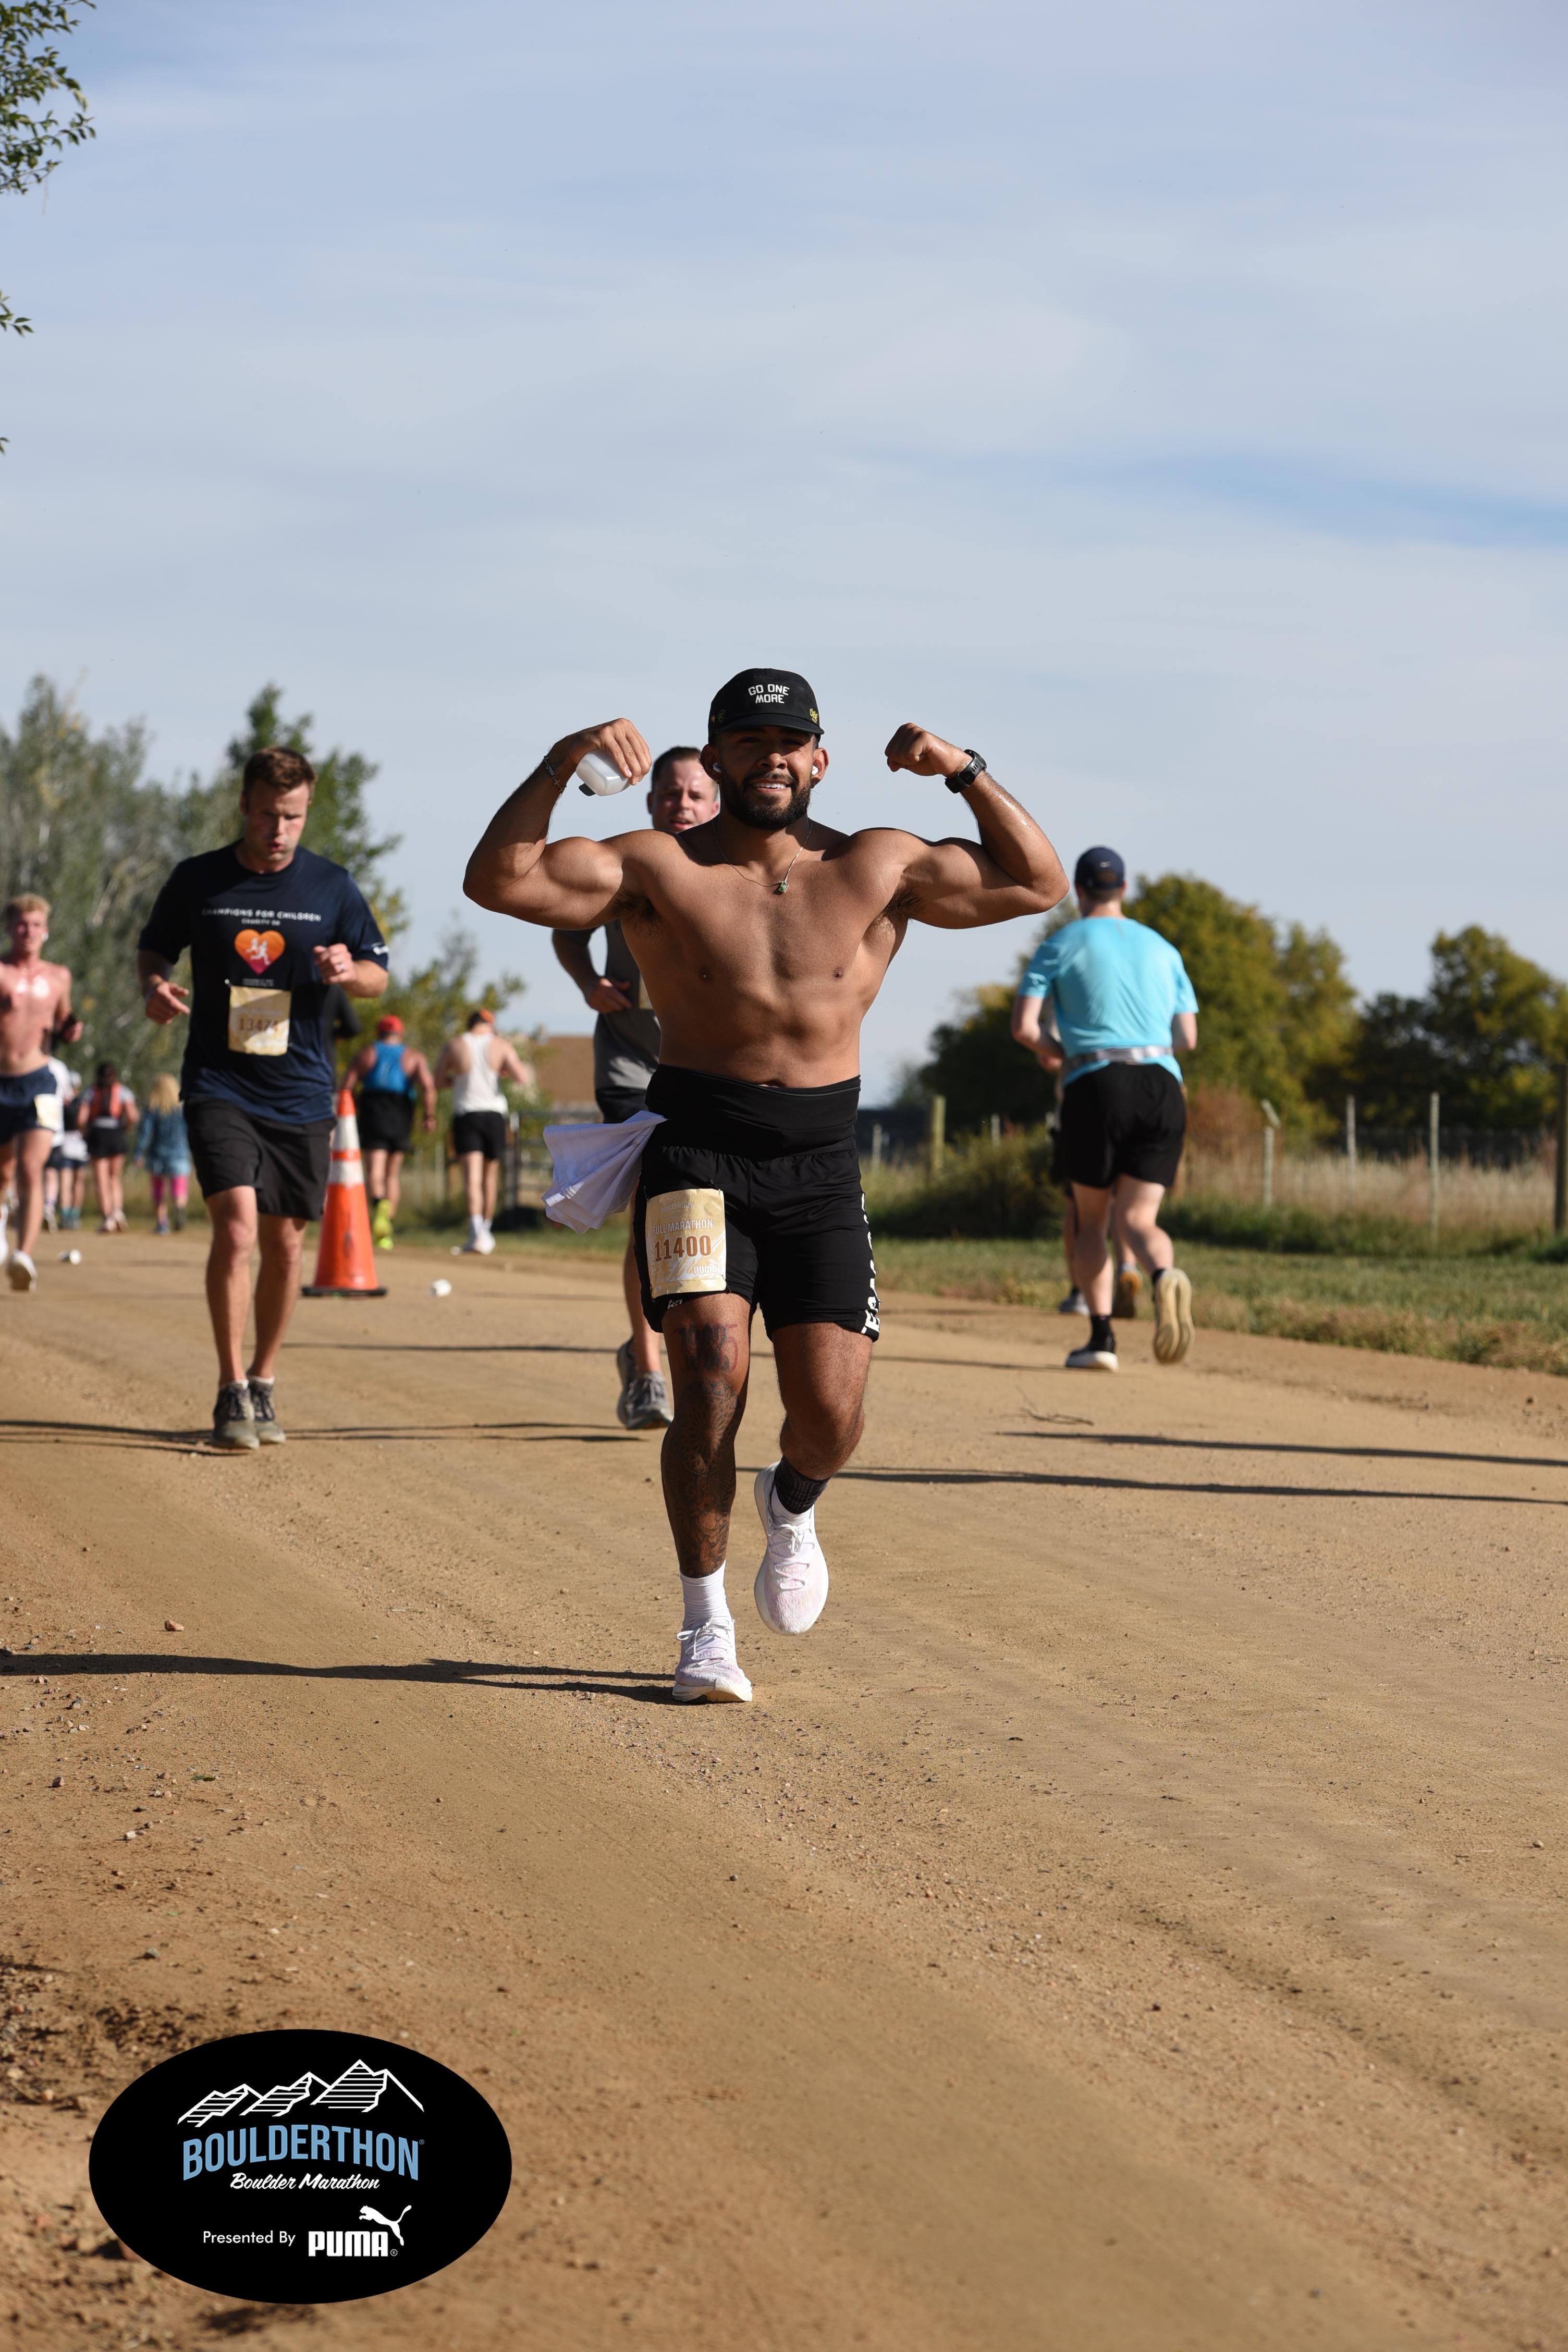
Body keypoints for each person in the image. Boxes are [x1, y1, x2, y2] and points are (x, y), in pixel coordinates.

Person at [464, 668, 1067, 1705]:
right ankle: (704, 1628)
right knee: (707, 1377)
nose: (770, 758)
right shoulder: (657, 866)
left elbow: (1037, 882)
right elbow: (500, 880)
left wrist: (962, 770)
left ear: (818, 759)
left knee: (828, 1415)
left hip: (820, 1169)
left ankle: (790, 1500)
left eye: (788, 742)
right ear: (716, 758)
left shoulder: (878, 863)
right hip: (696, 1152)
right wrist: (564, 761)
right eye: (747, 741)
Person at [137, 742, 389, 1448]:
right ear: (245, 805)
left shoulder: (332, 887)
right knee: (238, 1229)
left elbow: (378, 974)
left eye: (294, 817)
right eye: (269, 815)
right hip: (219, 1082)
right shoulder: (199, 880)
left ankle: (263, 1381)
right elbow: (154, 947)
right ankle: (229, 1386)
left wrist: (349, 970)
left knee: (284, 1244)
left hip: (302, 1088)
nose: (280, 830)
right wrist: (153, 986)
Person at [551, 744, 718, 1430]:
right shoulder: (624, 868)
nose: (682, 805)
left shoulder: (733, 871)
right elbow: (567, 929)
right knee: (653, 1208)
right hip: (632, 1067)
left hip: (707, 1071)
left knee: (699, 1214)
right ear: (650, 802)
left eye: (695, 795)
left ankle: (676, 1344)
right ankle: (648, 1371)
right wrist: (588, 983)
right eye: (670, 793)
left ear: (716, 802)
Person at [1011, 846, 1197, 1374]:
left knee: (1092, 1222)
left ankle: (1101, 1338)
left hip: (1095, 1082)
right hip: (1162, 1083)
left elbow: (1023, 1028)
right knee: (1138, 1219)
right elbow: (1187, 1037)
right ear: (1124, 890)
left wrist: (1059, 1050)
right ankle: (1163, 1275)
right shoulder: (1162, 947)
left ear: (1079, 890)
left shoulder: (1060, 944)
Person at [0, 892, 82, 1291]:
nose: (28, 931)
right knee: (3, 1171)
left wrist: (71, 1029)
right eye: (21, 924)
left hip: (40, 1081)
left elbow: (64, 1020)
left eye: (35, 925)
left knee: (32, 1168)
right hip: (1, 1080)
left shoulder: (59, 977)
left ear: (46, 931)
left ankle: (24, 1255)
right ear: (9, 928)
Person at [434, 1010, 532, 1255]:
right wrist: (501, 1072)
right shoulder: (501, 1045)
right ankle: (486, 1233)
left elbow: (437, 1081)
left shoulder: (455, 1045)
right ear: (490, 1024)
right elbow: (522, 1077)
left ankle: (476, 1233)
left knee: (472, 1179)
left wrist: (457, 1080)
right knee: (490, 1177)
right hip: (494, 1115)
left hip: (467, 1114)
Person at [346, 1014, 436, 1247]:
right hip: (401, 1113)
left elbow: (346, 1086)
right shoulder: (413, 1056)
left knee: (374, 1171)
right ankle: (387, 1225)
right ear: (400, 1033)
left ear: (379, 1033)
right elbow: (428, 1086)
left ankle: (379, 1206)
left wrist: (351, 1109)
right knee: (392, 1174)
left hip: (373, 1112)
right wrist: (429, 1117)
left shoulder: (367, 1054)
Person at [81, 1060, 138, 1231]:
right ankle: (118, 1212)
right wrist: (125, 1128)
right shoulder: (123, 1092)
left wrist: (85, 1133)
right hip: (116, 1134)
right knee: (115, 1178)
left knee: (101, 1180)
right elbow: (133, 1116)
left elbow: (81, 1119)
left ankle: (108, 1218)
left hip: (98, 1133)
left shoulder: (90, 1092)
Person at [137, 1072, 191, 1233]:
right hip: (179, 1154)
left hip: (157, 1154)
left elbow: (145, 1133)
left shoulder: (153, 1108)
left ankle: (162, 1223)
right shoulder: (182, 1109)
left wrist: (139, 1153)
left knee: (158, 1189)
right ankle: (179, 1209)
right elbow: (190, 1132)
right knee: (179, 1188)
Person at [41, 1053, 82, 1230]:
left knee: (37, 1174)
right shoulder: (59, 1068)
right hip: (58, 1136)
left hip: (52, 1135)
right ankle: (51, 1208)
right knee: (55, 1175)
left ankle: (49, 1210)